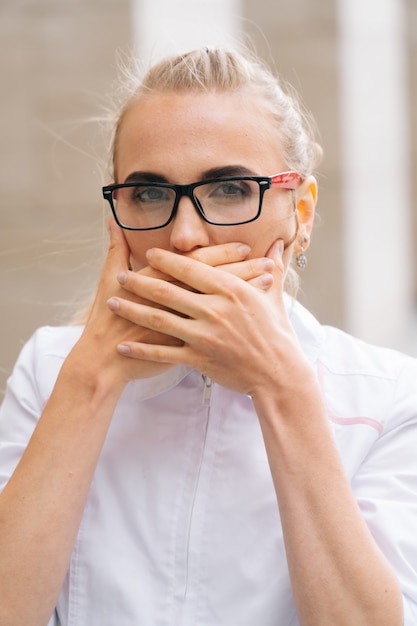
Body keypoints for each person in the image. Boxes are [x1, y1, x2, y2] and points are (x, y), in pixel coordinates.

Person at [0, 46, 416, 626]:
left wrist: (281, 386)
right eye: (148, 194)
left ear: (301, 212)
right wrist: (90, 380)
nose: (186, 235)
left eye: (230, 190)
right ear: (114, 217)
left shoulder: (387, 397)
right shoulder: (50, 371)